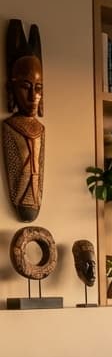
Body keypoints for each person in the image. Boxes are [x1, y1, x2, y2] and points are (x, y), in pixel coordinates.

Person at [3, 33, 44, 221]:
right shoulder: (10, 127)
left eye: (38, 88)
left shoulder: (41, 129)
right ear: (11, 89)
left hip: (35, 196)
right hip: (20, 196)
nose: (32, 96)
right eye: (25, 86)